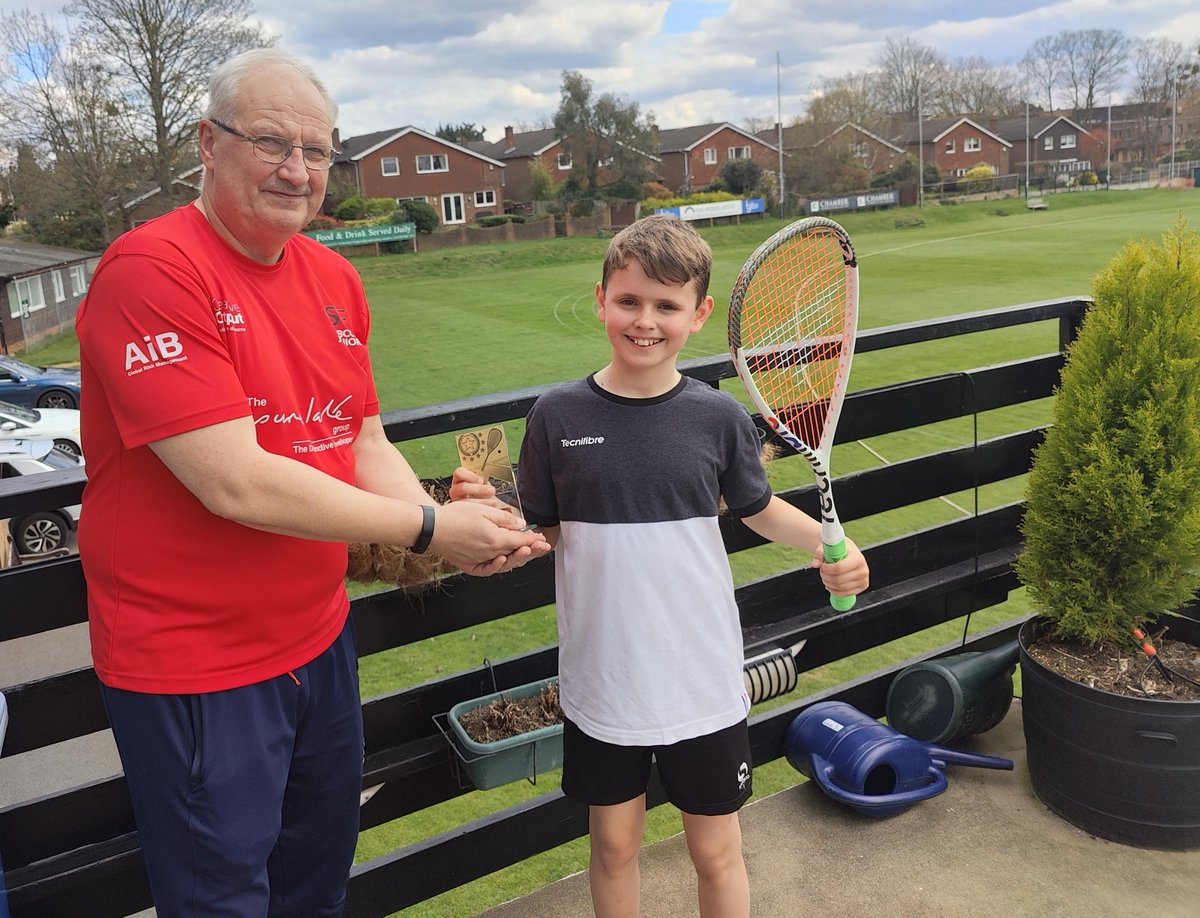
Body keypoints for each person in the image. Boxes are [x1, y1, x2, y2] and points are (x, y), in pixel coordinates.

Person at [76, 48, 548, 916]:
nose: (297, 170)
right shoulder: (150, 272)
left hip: (316, 641)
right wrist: (429, 531)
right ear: (207, 145)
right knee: (224, 901)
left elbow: (356, 434)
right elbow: (236, 484)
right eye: (270, 142)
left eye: (318, 150)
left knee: (315, 885)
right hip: (196, 666)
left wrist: (438, 521)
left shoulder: (332, 276)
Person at [465, 215, 869, 917]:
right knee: (614, 848)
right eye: (629, 301)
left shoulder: (716, 416)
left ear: (699, 314)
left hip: (699, 679)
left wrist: (831, 548)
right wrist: (492, 538)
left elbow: (759, 508)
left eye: (666, 305)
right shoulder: (555, 416)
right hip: (602, 680)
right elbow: (541, 530)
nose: (644, 321)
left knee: (716, 853)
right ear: (601, 300)